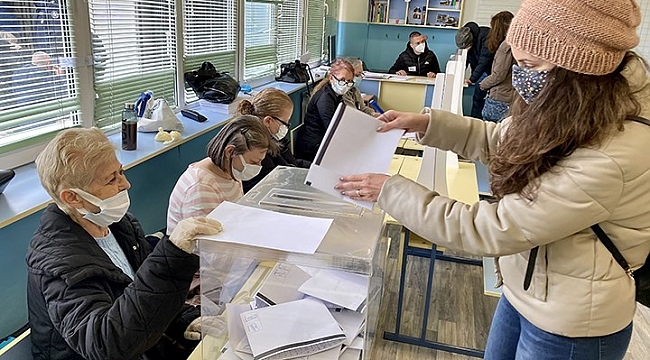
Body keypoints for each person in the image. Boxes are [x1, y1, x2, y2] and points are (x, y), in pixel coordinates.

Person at [337, 0, 650, 358]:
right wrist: (427, 123)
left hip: (573, 324)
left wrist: (390, 189)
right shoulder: (572, 104)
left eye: (530, 65)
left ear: (577, 68)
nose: (521, 75)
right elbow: (499, 140)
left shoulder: (612, 153)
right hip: (527, 290)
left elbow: (492, 228)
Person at [26, 128, 224, 360]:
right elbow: (106, 344)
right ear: (73, 197)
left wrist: (183, 320)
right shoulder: (58, 262)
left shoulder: (121, 225)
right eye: (112, 179)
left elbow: (141, 290)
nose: (126, 184)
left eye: (121, 172)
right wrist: (172, 258)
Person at [167, 115, 276, 233]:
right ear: (230, 152)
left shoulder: (231, 170)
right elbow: (203, 244)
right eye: (253, 162)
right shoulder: (201, 187)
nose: (258, 167)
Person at [237, 88, 311, 193]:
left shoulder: (274, 137)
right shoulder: (256, 150)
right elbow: (275, 184)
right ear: (268, 121)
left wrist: (315, 169)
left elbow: (292, 162)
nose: (287, 127)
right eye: (285, 123)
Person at [294, 59, 355, 162]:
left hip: (321, 141)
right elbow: (330, 127)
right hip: (312, 147)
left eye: (349, 81)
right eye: (342, 80)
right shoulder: (325, 98)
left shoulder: (335, 94)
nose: (345, 84)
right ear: (331, 78)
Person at [478, 11, 515, 122]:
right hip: (509, 95)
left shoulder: (506, 47)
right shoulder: (514, 44)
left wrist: (483, 84)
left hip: (500, 97)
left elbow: (498, 75)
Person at [456, 22, 494, 119]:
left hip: (489, 70)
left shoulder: (486, 36)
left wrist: (472, 78)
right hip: (481, 69)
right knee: (477, 98)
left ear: (470, 42)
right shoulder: (468, 38)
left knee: (479, 97)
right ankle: (475, 120)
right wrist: (457, 74)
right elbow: (465, 60)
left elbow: (484, 61)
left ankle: (477, 121)